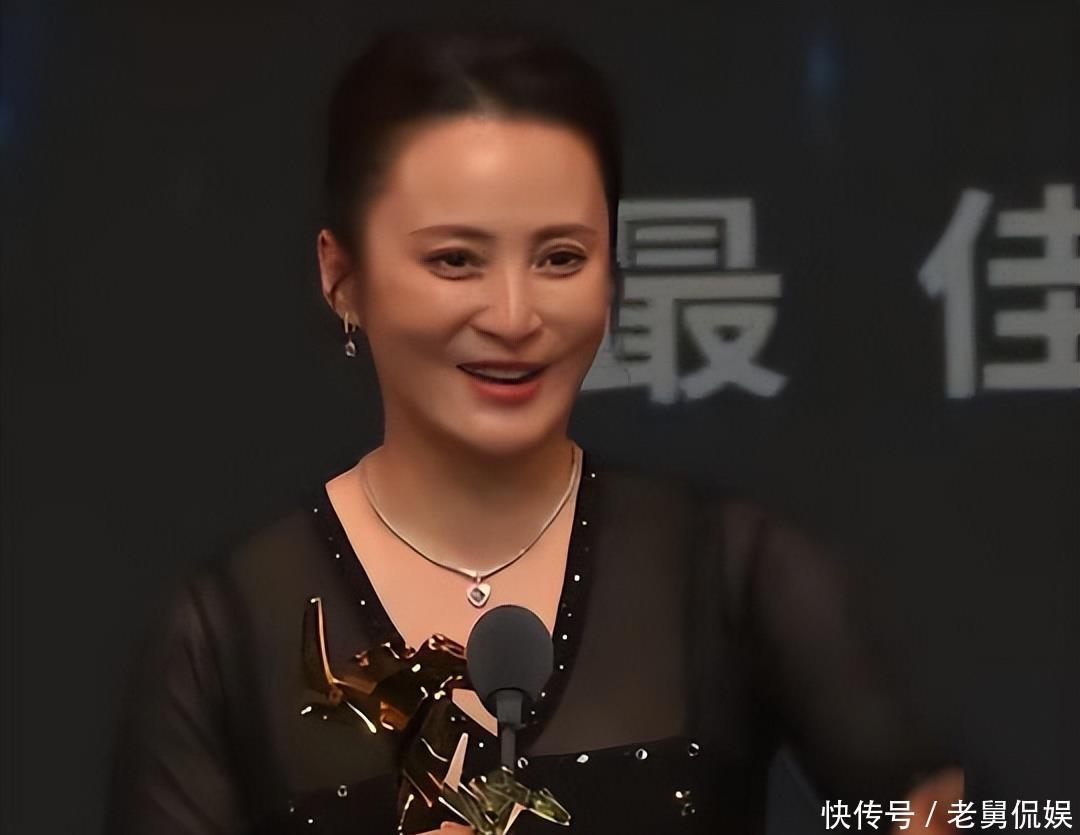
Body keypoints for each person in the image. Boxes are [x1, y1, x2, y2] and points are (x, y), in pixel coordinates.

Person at [104, 22, 964, 835]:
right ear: (342, 277)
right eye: (455, 260)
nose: (515, 316)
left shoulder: (731, 573)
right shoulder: (225, 630)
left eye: (561, 258)